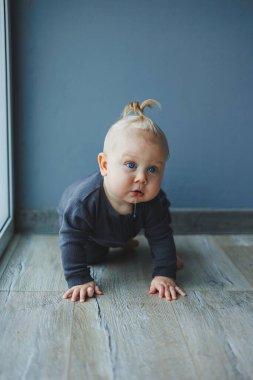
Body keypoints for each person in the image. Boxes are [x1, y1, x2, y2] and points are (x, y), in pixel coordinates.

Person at [58, 99, 186, 303]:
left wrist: (165, 271)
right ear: (105, 165)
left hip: (120, 226)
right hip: (88, 232)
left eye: (152, 169)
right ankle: (112, 240)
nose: (142, 178)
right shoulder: (83, 202)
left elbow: (161, 236)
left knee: (162, 245)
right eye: (130, 165)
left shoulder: (153, 201)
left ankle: (122, 239)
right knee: (95, 256)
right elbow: (71, 239)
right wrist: (78, 279)